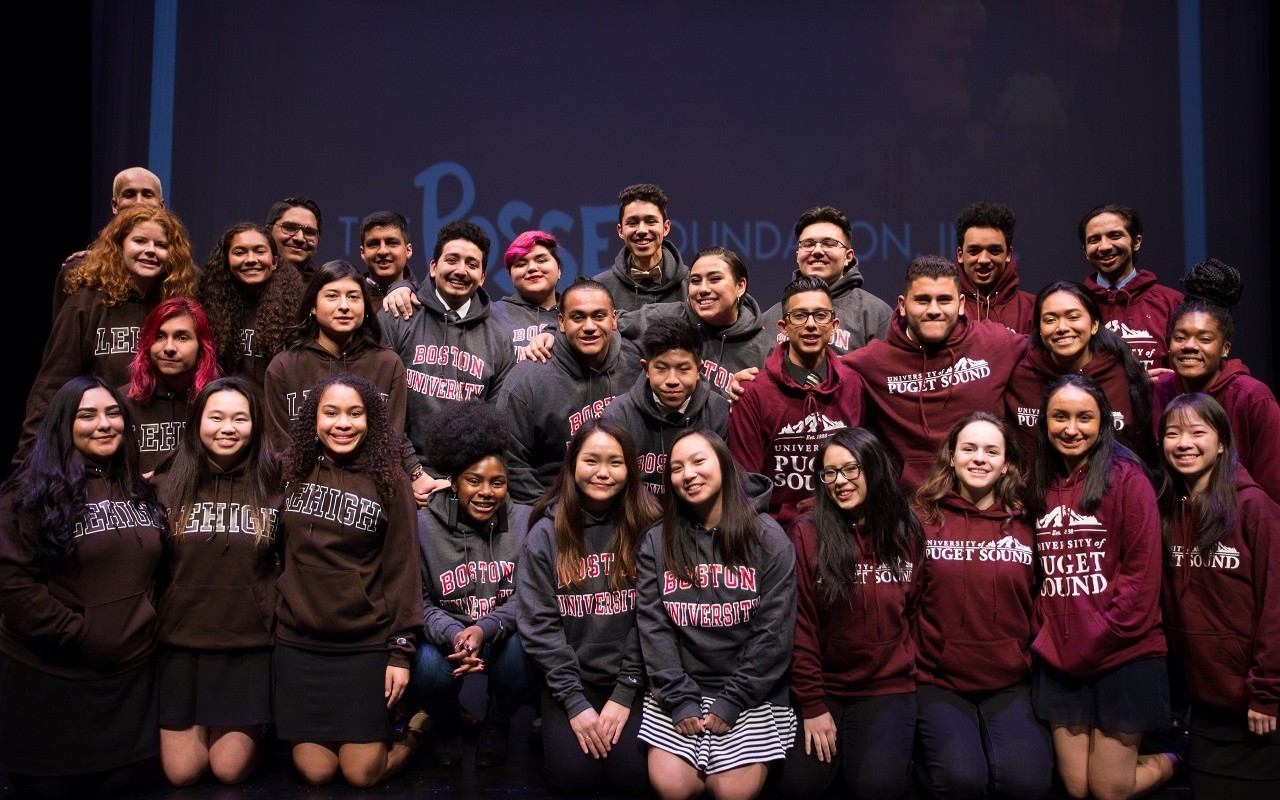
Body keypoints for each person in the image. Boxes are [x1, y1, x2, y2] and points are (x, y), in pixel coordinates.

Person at [0, 377, 167, 798]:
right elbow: (13, 584)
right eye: (87, 415)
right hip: (52, 687)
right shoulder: (28, 494)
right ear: (63, 424)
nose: (104, 424)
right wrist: (80, 635)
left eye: (113, 413)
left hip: (129, 690)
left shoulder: (139, 491)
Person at [1024, 374, 1178, 800]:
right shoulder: (1037, 481)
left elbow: (1140, 582)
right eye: (1060, 417)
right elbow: (1033, 573)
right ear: (1045, 421)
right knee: (1076, 788)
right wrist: (1047, 631)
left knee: (1110, 790)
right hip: (1060, 656)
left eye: (1084, 418)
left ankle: (1178, 756)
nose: (1071, 429)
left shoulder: (1127, 477)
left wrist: (1091, 640)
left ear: (1103, 422)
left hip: (1123, 653)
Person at [273, 373, 425, 788]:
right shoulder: (290, 472)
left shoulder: (391, 483)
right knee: (317, 772)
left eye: (355, 414)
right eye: (331, 413)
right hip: (299, 642)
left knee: (362, 774)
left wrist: (400, 652)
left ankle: (415, 731)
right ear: (313, 420)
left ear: (371, 420)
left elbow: (403, 571)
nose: (343, 423)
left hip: (364, 643)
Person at [636, 429, 796, 800]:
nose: (687, 474)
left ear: (724, 464)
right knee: (673, 788)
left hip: (751, 692)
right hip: (680, 687)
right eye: (676, 468)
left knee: (733, 794)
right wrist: (678, 697)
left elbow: (774, 633)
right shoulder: (657, 541)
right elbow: (654, 626)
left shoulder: (767, 538)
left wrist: (734, 699)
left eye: (698, 461)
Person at [911, 413, 1052, 800]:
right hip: (939, 680)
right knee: (962, 782)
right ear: (951, 457)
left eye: (992, 450)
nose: (979, 458)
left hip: (1011, 679)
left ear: (1007, 463)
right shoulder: (922, 517)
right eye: (969, 448)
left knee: (1027, 784)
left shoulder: (1029, 521)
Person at [777, 427, 924, 800]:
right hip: (825, 687)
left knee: (877, 788)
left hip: (887, 687)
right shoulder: (806, 535)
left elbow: (915, 609)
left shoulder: (906, 531)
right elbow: (802, 627)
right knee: (799, 785)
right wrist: (811, 704)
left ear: (873, 469)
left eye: (850, 469)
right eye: (829, 473)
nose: (839, 482)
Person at [517, 418, 662, 796]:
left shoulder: (650, 526)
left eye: (615, 462)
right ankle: (547, 726)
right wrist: (574, 702)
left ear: (630, 468)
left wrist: (627, 690)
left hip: (633, 677)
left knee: (631, 776)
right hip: (572, 678)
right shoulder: (545, 533)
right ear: (572, 464)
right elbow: (539, 625)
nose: (603, 472)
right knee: (574, 777)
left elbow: (654, 618)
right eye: (591, 460)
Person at [150, 376, 282, 786]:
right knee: (182, 773)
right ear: (197, 423)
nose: (228, 428)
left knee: (227, 771)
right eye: (217, 417)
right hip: (180, 644)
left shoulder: (276, 484)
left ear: (255, 425)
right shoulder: (165, 485)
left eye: (240, 418)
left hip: (246, 646)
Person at [1156, 393, 1280, 797]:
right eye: (1173, 433)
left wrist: (1266, 691)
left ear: (1222, 441)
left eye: (1197, 432)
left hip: (1256, 709)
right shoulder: (1168, 512)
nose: (1184, 443)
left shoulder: (1254, 507)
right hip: (1203, 709)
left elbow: (1276, 606)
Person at [19, 205, 199, 466]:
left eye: (161, 244)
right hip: (99, 443)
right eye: (139, 241)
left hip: (156, 448)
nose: (150, 250)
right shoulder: (86, 302)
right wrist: (28, 460)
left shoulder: (177, 303)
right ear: (119, 245)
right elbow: (51, 384)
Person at [408, 400, 533, 769]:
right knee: (427, 671)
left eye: (497, 483)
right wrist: (453, 633)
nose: (485, 492)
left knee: (525, 657)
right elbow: (418, 600)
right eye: (474, 481)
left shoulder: (526, 523)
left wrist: (483, 628)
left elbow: (529, 599)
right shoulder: (422, 526)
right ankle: (446, 724)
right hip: (444, 640)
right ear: (455, 481)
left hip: (498, 635)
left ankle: (496, 722)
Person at [843, 255, 1026, 490]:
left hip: (984, 495)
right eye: (922, 300)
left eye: (944, 300)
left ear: (961, 304)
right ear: (902, 304)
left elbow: (1049, 355)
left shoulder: (997, 342)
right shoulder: (872, 362)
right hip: (911, 505)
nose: (933, 310)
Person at [261, 260, 434, 501]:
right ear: (313, 305)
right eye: (332, 296)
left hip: (369, 496)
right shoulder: (284, 366)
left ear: (365, 308)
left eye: (353, 297)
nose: (344, 306)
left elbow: (390, 442)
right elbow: (279, 447)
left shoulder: (387, 364)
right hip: (303, 496)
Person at [378, 220, 516, 476]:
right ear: (433, 267)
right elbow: (378, 404)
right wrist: (413, 472)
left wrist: (463, 479)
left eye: (472, 264)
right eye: (452, 260)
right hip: (396, 470)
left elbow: (497, 421)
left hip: (467, 476)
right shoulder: (397, 315)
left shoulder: (500, 336)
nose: (461, 270)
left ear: (483, 276)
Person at [728, 275, 865, 529]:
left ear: (834, 325)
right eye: (799, 316)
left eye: (820, 315)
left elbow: (866, 467)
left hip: (844, 526)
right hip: (778, 531)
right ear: (783, 327)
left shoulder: (854, 385)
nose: (811, 325)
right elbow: (746, 485)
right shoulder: (753, 393)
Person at [498, 277, 643, 503]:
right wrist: (550, 512)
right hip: (554, 509)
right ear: (561, 322)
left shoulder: (637, 365)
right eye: (578, 317)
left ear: (614, 319)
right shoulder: (527, 380)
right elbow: (512, 463)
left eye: (598, 316)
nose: (589, 327)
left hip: (626, 508)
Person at [1153, 258, 1280, 498]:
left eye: (1204, 339)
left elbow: (1273, 484)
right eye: (1180, 337)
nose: (1190, 346)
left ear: (1225, 348)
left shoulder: (1253, 397)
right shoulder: (1162, 391)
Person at [1005, 280, 1153, 464]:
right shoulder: (1019, 374)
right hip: (1033, 489)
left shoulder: (1123, 374)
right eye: (1050, 320)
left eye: (1073, 317)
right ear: (1039, 330)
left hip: (1109, 488)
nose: (1062, 328)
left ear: (1094, 324)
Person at [618, 246, 774, 401]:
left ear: (740, 286)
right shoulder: (664, 317)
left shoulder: (764, 349)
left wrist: (745, 404)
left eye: (714, 279)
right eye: (695, 281)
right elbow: (606, 325)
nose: (703, 289)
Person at [603, 316, 730, 496]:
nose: (672, 381)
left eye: (683, 369)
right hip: (638, 519)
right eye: (661, 368)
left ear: (698, 370)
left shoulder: (719, 413)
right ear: (646, 369)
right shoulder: (618, 416)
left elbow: (728, 484)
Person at [761, 206, 893, 355]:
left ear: (848, 257)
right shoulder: (770, 319)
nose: (817, 251)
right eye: (808, 244)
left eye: (829, 244)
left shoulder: (876, 314)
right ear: (797, 255)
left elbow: (886, 373)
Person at [197, 221, 307, 398]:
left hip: (274, 415)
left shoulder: (295, 312)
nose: (250, 260)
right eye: (240, 252)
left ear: (274, 262)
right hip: (229, 415)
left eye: (259, 251)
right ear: (226, 261)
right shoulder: (210, 309)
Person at [121, 296, 220, 477]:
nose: (169, 347)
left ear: (202, 347)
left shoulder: (219, 401)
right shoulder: (121, 402)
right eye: (159, 337)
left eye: (182, 337)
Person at [1078, 203, 1184, 370]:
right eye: (1094, 239)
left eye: (1115, 236)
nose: (1104, 246)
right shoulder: (1075, 304)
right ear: (1085, 251)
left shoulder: (1172, 302)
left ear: (1136, 242)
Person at [55, 166, 167, 319]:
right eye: (130, 194)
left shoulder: (181, 273)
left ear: (161, 206)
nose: (139, 202)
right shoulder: (82, 271)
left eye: (147, 194)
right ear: (115, 205)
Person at [591, 183, 688, 312]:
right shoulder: (599, 288)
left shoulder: (691, 285)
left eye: (650, 221)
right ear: (620, 231)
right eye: (632, 223)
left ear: (666, 228)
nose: (642, 230)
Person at [954, 201, 1035, 334]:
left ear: (1008, 254)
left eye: (994, 251)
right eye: (974, 251)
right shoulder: (945, 308)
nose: (984, 260)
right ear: (960, 255)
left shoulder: (1033, 308)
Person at [493, 229, 564, 360]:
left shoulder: (576, 315)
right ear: (511, 276)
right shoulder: (493, 315)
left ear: (559, 269)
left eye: (541, 260)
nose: (532, 268)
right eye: (521, 264)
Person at [358, 210, 419, 301]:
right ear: (363, 253)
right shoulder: (351, 300)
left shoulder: (424, 299)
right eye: (373, 244)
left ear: (408, 250)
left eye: (392, 243)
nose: (382, 251)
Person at [265, 196, 323, 280]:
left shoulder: (322, 287)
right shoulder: (251, 280)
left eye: (309, 232)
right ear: (268, 232)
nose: (299, 238)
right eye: (290, 228)